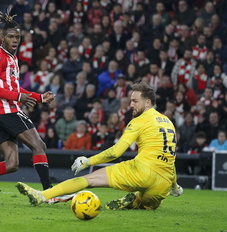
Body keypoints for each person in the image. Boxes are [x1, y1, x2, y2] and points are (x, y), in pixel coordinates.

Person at [0, 10, 71, 203]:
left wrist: (39, 97)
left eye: (17, 37)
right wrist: (20, 97)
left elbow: (14, 87)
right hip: (5, 110)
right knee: (39, 145)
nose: (15, 40)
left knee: (12, 164)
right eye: (11, 36)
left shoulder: (13, 58)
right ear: (2, 37)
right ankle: (48, 194)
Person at [16, 82, 183, 210]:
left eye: (134, 101)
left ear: (147, 103)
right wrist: (174, 185)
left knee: (88, 180)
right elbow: (170, 157)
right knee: (146, 204)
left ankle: (41, 196)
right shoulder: (168, 122)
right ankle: (134, 201)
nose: (131, 104)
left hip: (142, 171)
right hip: (164, 183)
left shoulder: (139, 121)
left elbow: (116, 152)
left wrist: (88, 162)